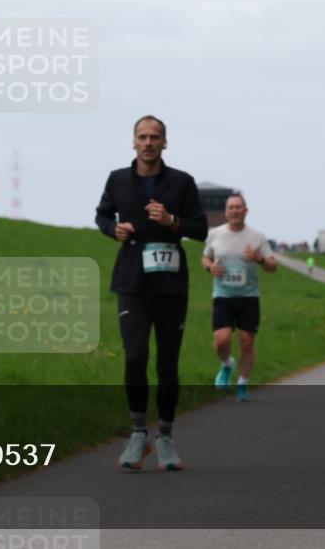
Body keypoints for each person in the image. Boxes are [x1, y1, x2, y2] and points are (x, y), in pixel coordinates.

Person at [95, 115, 208, 471]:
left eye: (154, 137)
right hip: (132, 282)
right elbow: (101, 216)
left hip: (171, 285)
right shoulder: (117, 180)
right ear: (133, 142)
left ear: (164, 143)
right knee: (135, 357)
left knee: (167, 363)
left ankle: (166, 438)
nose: (148, 142)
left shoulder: (182, 182)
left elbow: (201, 229)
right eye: (142, 137)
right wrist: (114, 229)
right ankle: (138, 432)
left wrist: (172, 221)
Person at [201, 194, 277, 402]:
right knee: (221, 340)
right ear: (226, 212)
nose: (234, 211)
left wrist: (259, 258)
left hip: (248, 297)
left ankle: (242, 384)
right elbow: (205, 257)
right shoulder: (215, 234)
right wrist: (210, 266)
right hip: (223, 296)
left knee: (246, 342)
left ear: (246, 210)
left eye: (238, 207)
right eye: (231, 207)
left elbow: (273, 266)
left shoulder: (257, 237)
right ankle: (227, 364)